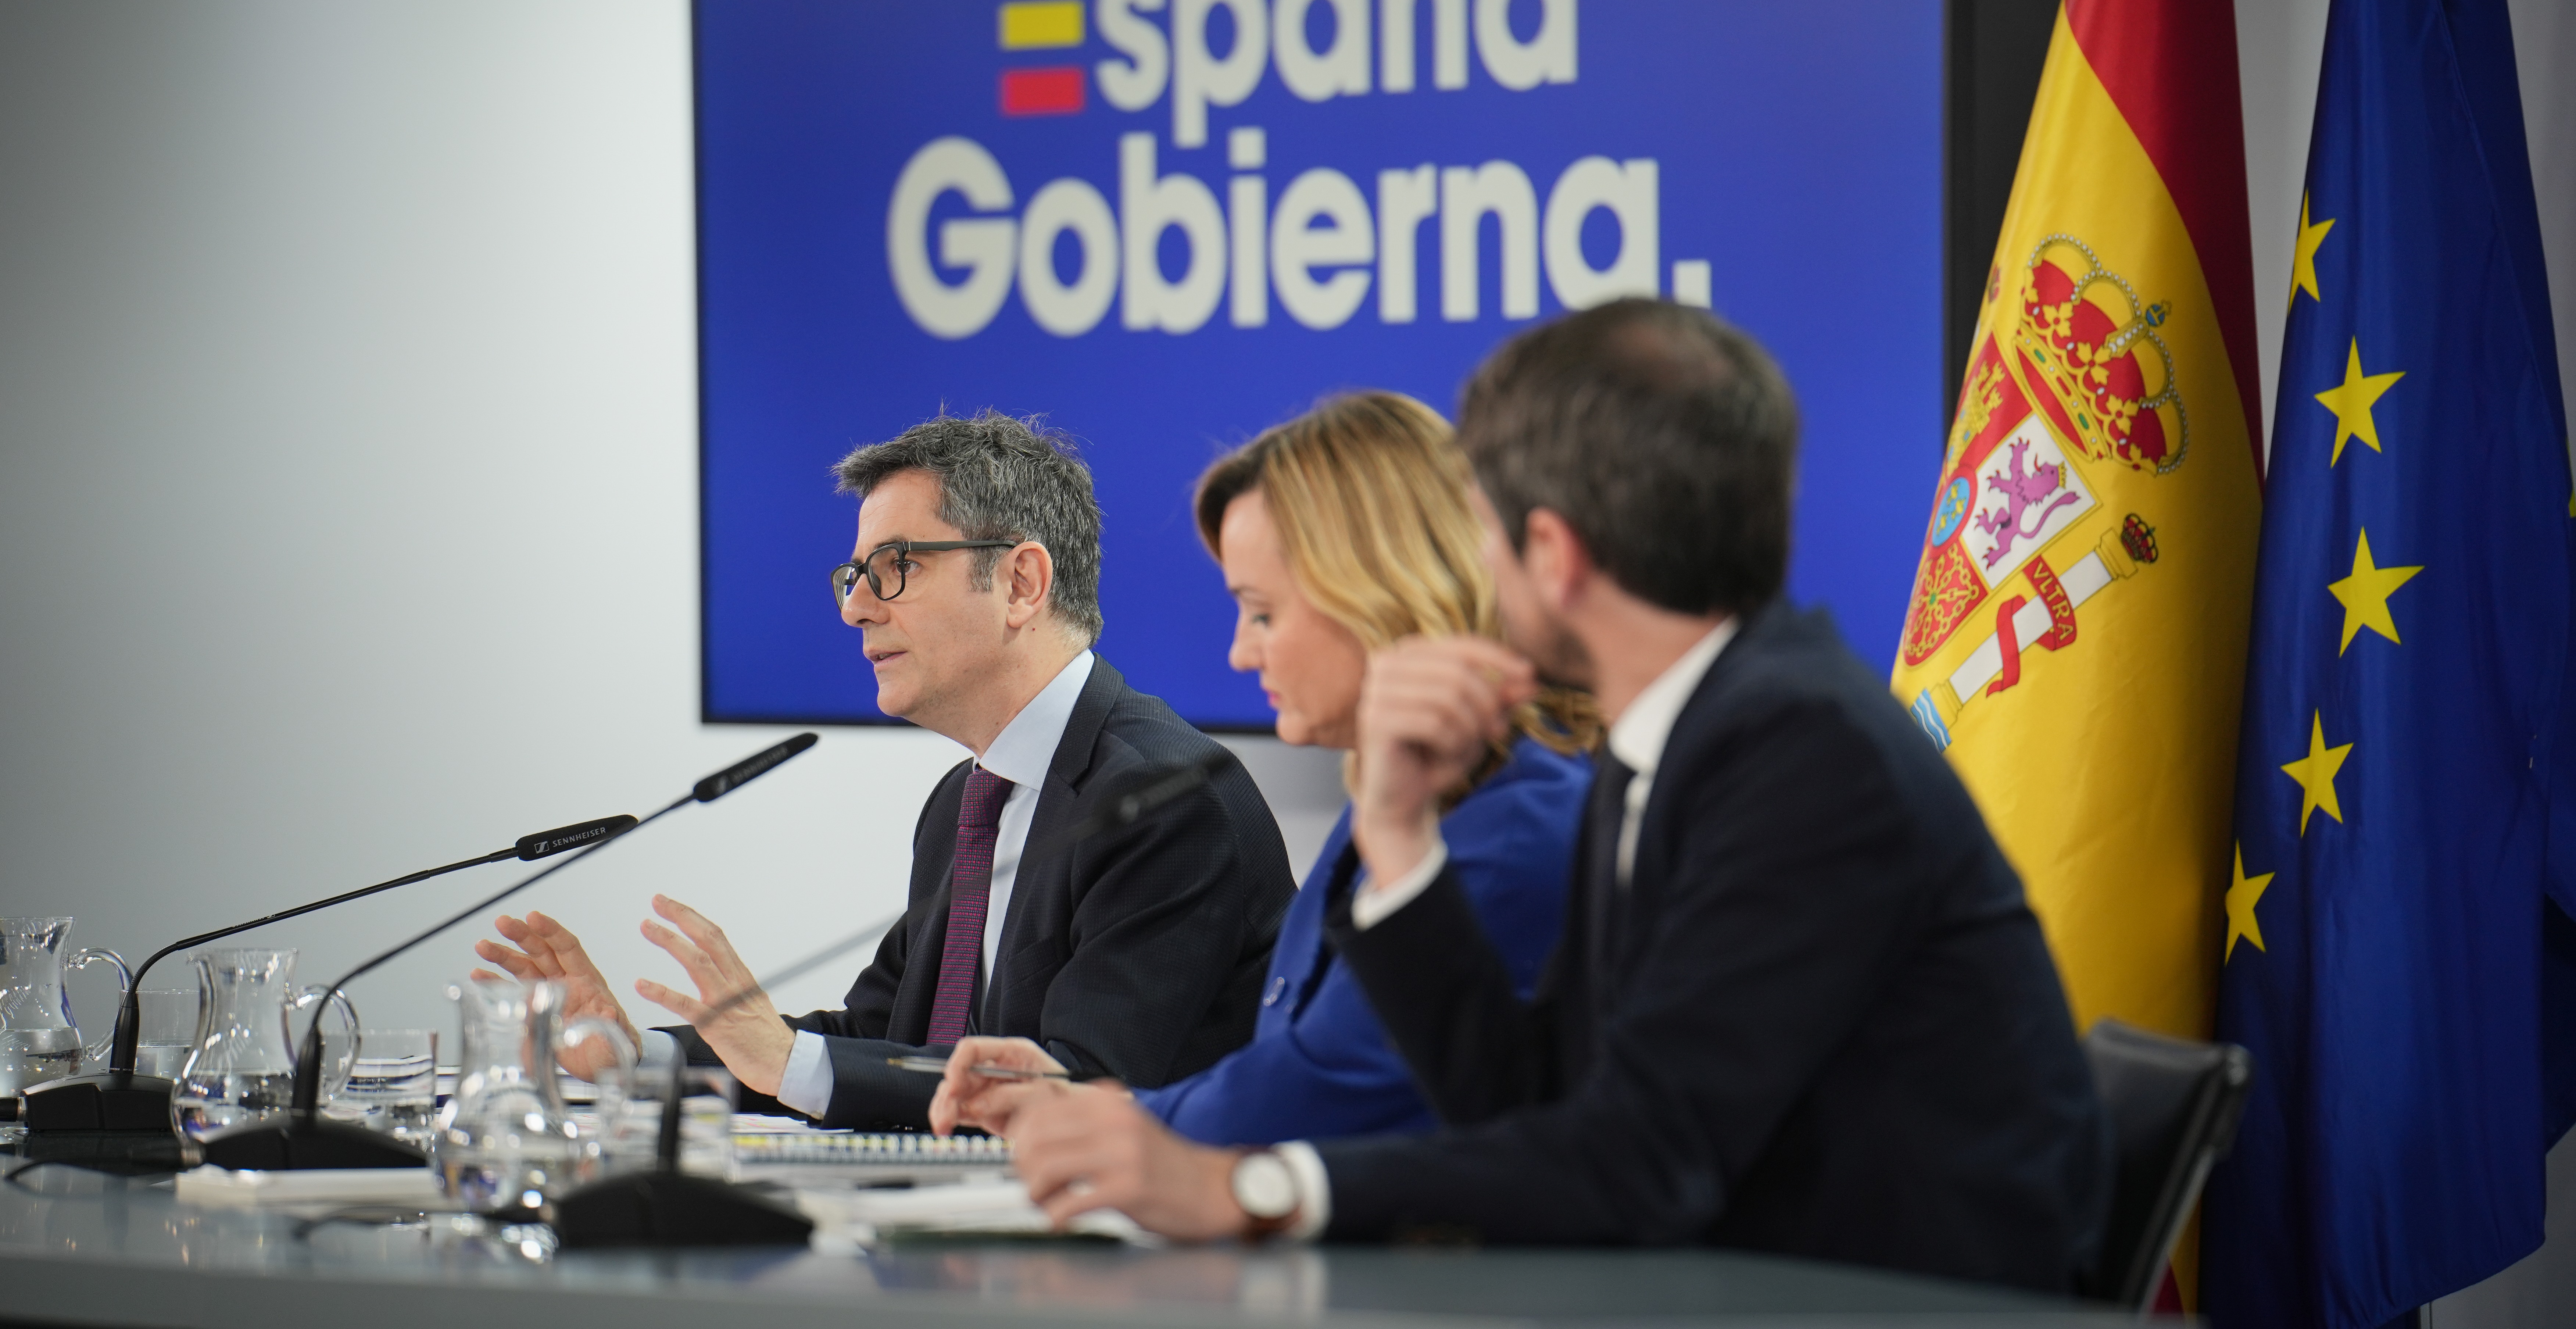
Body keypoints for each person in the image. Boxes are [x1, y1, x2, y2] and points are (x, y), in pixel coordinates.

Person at [934, 303, 2111, 1294]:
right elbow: (1527, 1100)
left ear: (1552, 553)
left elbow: (1644, 1160)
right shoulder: (1692, 739)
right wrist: (1396, 835)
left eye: (1484, 529)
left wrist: (1247, 1185)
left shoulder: (1801, 752)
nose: (1463, 572)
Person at [475, 411, 1295, 1128]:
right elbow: (886, 1041)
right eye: (856, 575)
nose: (856, 606)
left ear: (1021, 581)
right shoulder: (966, 803)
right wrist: (633, 1059)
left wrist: (788, 1060)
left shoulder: (1162, 799)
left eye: (896, 567)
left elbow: (1082, 1087)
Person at [940, 392, 1595, 1147]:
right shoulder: (1403, 806)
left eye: (1263, 613)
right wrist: (1067, 1100)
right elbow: (1280, 1067)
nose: (1242, 654)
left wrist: (1090, 1118)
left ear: (1381, 591)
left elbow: (1317, 1094)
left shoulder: (1510, 834)